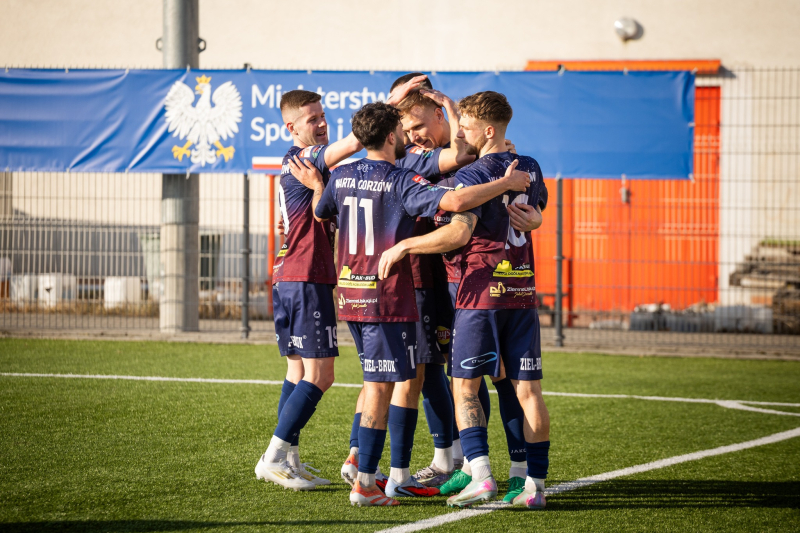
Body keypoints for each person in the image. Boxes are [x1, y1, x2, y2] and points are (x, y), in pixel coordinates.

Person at [290, 101, 529, 506]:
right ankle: (369, 481)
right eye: (403, 131)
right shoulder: (402, 180)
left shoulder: (341, 174)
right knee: (386, 387)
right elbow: (455, 203)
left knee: (383, 383)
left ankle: (378, 471)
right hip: (385, 298)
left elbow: (320, 210)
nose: (408, 137)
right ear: (390, 136)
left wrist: (317, 186)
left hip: (350, 295)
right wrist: (504, 184)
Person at [378, 91, 551, 509]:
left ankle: (481, 475)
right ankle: (533, 486)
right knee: (527, 390)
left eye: (467, 127)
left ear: (488, 131)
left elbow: (458, 231)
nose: (460, 133)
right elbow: (536, 209)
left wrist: (405, 246)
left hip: (479, 293)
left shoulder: (474, 174)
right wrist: (538, 218)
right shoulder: (529, 165)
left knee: (464, 388)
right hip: (521, 292)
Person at [255, 78, 426, 491]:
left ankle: (288, 457)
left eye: (323, 116)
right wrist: (390, 105)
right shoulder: (304, 157)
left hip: (292, 275)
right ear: (291, 128)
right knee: (322, 374)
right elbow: (356, 142)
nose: (321, 124)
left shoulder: (314, 170)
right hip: (305, 276)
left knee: (298, 370)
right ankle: (273, 456)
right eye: (311, 119)